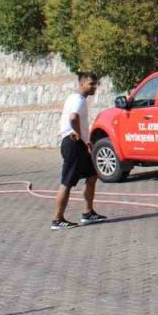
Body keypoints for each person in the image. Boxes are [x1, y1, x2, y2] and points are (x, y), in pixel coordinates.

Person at [52, 72, 108, 230]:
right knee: (67, 182)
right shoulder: (78, 100)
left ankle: (88, 213)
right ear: (82, 84)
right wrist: (77, 133)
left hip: (78, 143)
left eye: (95, 84)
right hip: (73, 144)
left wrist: (86, 140)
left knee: (92, 175)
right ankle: (57, 220)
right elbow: (73, 117)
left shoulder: (74, 98)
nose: (94, 87)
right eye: (91, 84)